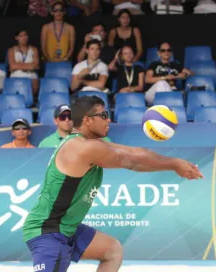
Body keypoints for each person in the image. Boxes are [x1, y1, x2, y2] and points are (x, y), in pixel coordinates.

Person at [23, 95, 203, 272]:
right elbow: (132, 161)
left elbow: (133, 152)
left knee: (112, 250)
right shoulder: (82, 147)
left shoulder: (91, 143)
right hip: (49, 230)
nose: (108, 119)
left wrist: (175, 163)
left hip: (66, 227)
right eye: (103, 115)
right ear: (87, 120)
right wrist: (173, 164)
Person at [8, 28, 40, 97]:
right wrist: (29, 66)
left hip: (31, 76)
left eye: (25, 35)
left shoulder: (34, 49)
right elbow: (12, 66)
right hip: (16, 75)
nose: (24, 38)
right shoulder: (11, 50)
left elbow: (35, 65)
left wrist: (19, 65)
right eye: (21, 36)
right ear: (16, 38)